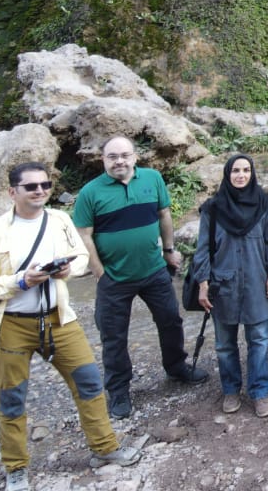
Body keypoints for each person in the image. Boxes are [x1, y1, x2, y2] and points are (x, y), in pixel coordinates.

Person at [0, 162, 141, 491]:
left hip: (59, 318)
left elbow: (79, 257)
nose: (40, 191)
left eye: (45, 185)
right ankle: (16, 468)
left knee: (90, 383)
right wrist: (21, 280)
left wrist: (68, 270)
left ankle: (105, 449)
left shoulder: (59, 220)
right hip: (11, 325)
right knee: (12, 399)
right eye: (31, 186)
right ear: (12, 192)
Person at [73, 136, 207, 420]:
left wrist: (169, 251)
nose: (119, 160)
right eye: (112, 156)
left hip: (154, 270)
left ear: (135, 157)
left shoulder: (152, 179)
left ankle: (176, 367)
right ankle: (119, 389)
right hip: (114, 278)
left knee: (171, 320)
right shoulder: (90, 193)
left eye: (124, 155)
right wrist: (99, 273)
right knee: (114, 335)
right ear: (103, 159)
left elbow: (164, 214)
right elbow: (83, 235)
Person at [193, 154, 268, 417]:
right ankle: (231, 390)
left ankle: (260, 392)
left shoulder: (264, 205)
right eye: (235, 171)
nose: (241, 175)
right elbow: (203, 249)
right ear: (227, 174)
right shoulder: (213, 208)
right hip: (223, 283)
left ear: (252, 173)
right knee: (224, 344)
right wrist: (203, 282)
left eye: (245, 170)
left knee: (259, 339)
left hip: (256, 280)